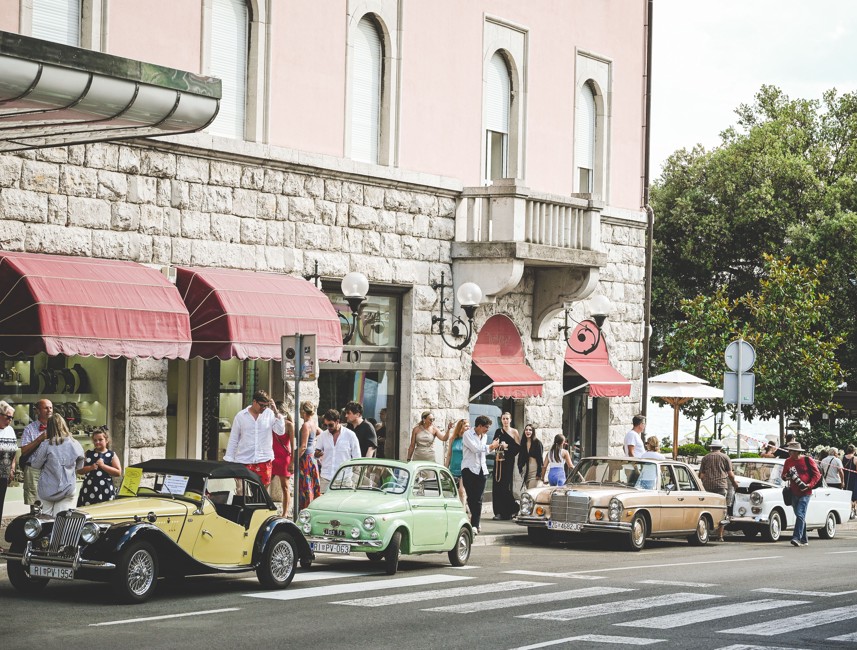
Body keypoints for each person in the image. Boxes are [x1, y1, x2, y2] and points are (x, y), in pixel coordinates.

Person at [223, 390, 284, 487]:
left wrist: (276, 412)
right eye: (261, 405)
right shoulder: (241, 416)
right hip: (243, 460)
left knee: (262, 494)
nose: (263, 408)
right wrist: (229, 459)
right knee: (241, 491)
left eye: (266, 406)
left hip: (264, 459)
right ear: (254, 402)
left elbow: (280, 431)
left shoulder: (269, 414)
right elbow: (234, 439)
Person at [28, 413, 84, 515]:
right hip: (68, 488)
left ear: (49, 427)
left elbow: (35, 465)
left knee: (45, 522)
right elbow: (80, 465)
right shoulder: (75, 443)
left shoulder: (46, 444)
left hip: (47, 489)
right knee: (61, 522)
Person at [460, 415, 502, 534]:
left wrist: (493, 448)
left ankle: (475, 524)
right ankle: (474, 520)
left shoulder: (484, 436)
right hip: (469, 469)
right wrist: (490, 446)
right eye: (486, 427)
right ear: (479, 426)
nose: (487, 430)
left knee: (478, 498)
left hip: (482, 469)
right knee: (471, 497)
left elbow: (484, 451)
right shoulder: (467, 434)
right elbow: (475, 448)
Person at [698, 439, 739, 542]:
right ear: (721, 448)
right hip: (721, 486)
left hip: (707, 487)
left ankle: (706, 532)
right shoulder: (725, 457)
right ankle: (720, 535)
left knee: (707, 509)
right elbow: (730, 474)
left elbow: (701, 475)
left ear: (711, 448)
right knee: (722, 510)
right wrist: (735, 484)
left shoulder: (705, 458)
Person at [783, 441, 822, 547]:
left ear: (796, 452)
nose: (789, 452)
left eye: (791, 451)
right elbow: (783, 475)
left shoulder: (807, 460)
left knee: (800, 514)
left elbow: (817, 475)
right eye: (789, 450)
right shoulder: (788, 461)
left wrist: (809, 485)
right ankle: (804, 539)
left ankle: (796, 537)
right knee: (800, 515)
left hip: (806, 492)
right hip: (794, 491)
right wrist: (787, 476)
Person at [315, 409, 360, 493]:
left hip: (344, 479)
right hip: (326, 478)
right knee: (325, 505)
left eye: (330, 425)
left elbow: (357, 458)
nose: (328, 428)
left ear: (337, 421)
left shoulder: (350, 435)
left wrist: (355, 479)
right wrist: (317, 454)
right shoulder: (323, 436)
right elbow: (316, 453)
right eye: (325, 425)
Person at [19, 398, 53, 505]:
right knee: (35, 504)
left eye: (51, 408)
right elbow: (24, 451)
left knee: (50, 502)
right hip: (33, 470)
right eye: (46, 408)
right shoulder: (29, 429)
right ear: (37, 411)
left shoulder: (57, 428)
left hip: (51, 469)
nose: (49, 410)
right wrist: (39, 439)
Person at [76, 426, 121, 506]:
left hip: (105, 488)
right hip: (89, 487)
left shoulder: (111, 454)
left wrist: (103, 466)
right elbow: (79, 470)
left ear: (106, 440)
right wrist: (90, 468)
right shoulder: (88, 453)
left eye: (100, 440)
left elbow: (118, 472)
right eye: (95, 440)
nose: (97, 442)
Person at [491, 412, 520, 520]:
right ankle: (498, 512)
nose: (505, 421)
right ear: (501, 420)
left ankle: (513, 508)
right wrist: (498, 444)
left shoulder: (514, 432)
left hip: (508, 461)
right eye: (503, 419)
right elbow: (493, 444)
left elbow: (518, 448)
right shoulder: (498, 431)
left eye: (507, 418)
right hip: (499, 461)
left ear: (510, 420)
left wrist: (507, 446)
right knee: (497, 485)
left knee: (504, 486)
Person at [297, 401, 321, 510]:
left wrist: (293, 461)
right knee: (310, 484)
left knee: (305, 487)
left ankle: (305, 510)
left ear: (303, 411)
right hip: (311, 457)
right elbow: (322, 433)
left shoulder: (306, 425)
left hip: (305, 458)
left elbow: (303, 446)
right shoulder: (313, 423)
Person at [271, 400, 293, 511]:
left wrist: (292, 462)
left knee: (285, 487)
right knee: (264, 484)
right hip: (272, 457)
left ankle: (285, 512)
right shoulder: (272, 423)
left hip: (284, 458)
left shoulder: (289, 425)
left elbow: (293, 445)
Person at [444, 419, 468, 508]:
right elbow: (449, 454)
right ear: (460, 427)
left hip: (463, 469)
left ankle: (463, 511)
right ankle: (463, 507)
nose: (468, 428)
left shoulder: (467, 440)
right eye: (466, 426)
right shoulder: (453, 439)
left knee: (461, 490)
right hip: (453, 468)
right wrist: (445, 468)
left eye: (468, 426)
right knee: (453, 492)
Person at [0, 401, 17, 527]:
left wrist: (12, 467)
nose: (10, 420)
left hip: (3, 475)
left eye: (12, 417)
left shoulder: (10, 430)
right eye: (8, 417)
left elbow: (13, 451)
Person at [517, 424, 544, 489]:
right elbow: (520, 457)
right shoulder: (523, 443)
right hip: (526, 472)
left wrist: (539, 473)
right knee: (528, 492)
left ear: (533, 432)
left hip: (535, 472)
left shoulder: (537, 443)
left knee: (530, 492)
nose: (528, 431)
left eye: (530, 430)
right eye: (526, 430)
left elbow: (540, 459)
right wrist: (520, 468)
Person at [843, 444, 857, 520]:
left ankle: (848, 511)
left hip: (844, 478)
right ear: (854, 451)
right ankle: (853, 510)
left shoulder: (843, 458)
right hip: (854, 479)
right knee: (854, 495)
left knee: (847, 494)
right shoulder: (855, 459)